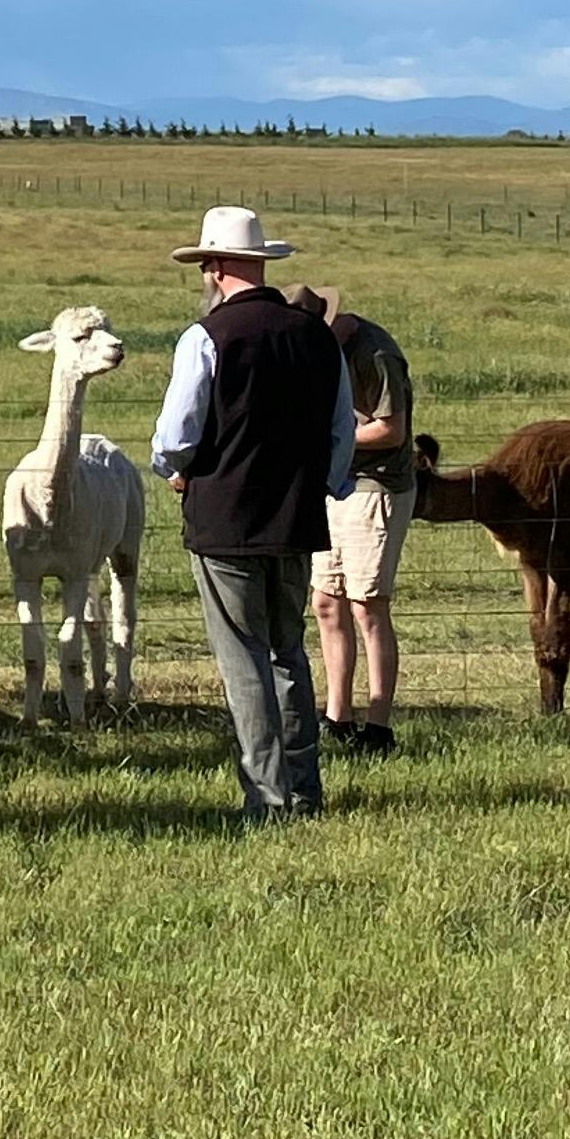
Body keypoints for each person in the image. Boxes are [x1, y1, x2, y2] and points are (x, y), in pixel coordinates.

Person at [149, 206, 355, 821]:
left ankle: (265, 798)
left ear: (214, 267)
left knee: (244, 661)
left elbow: (174, 435)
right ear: (261, 264)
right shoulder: (316, 334)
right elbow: (340, 430)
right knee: (288, 653)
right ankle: (305, 790)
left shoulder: (205, 338)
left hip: (223, 522)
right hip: (295, 519)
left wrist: (175, 470)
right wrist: (324, 483)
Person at [284, 286, 415, 757]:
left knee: (367, 604)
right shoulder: (322, 353)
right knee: (326, 600)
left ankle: (378, 726)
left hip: (376, 486)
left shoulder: (373, 354)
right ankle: (337, 717)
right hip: (335, 483)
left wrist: (326, 437)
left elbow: (390, 429)